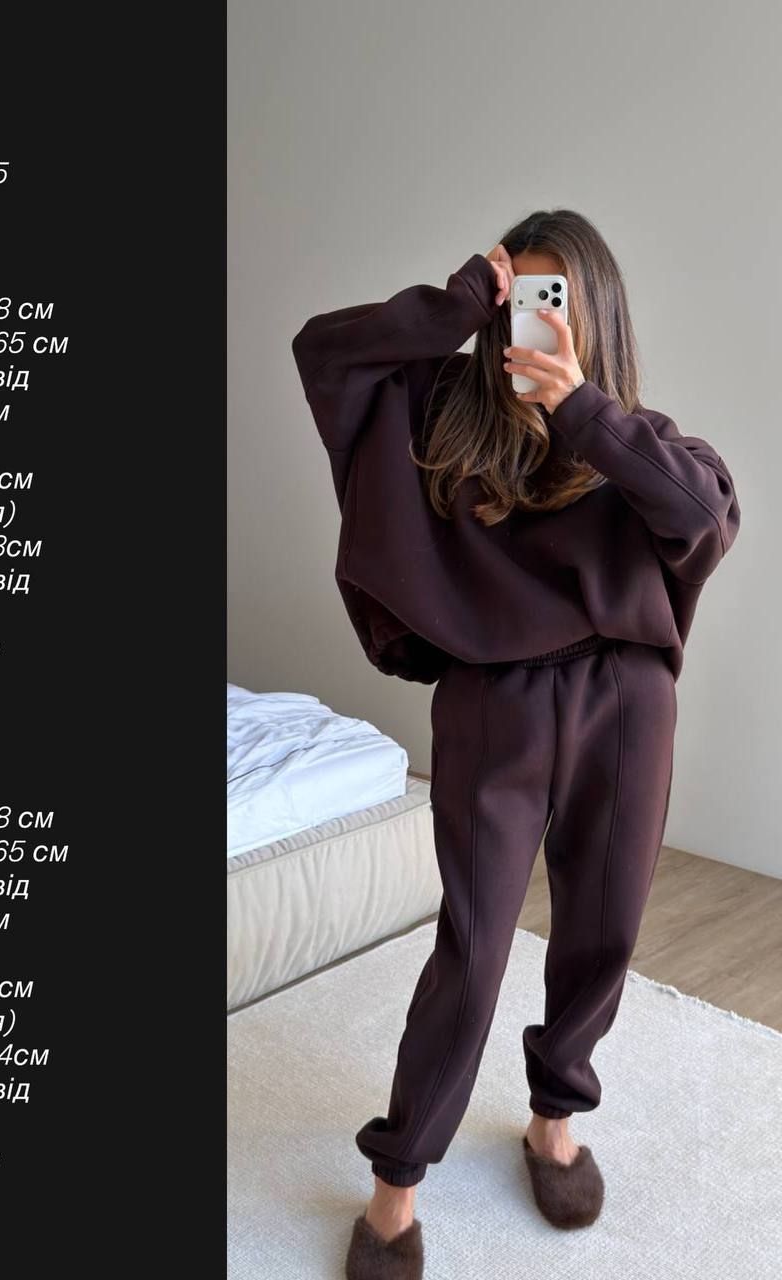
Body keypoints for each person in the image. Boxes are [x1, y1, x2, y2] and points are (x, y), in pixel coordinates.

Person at [289, 209, 740, 1280]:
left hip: (625, 697)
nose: (531, 322)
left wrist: (580, 408)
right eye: (518, 299)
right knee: (474, 943)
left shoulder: (633, 440)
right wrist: (451, 308)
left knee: (602, 925)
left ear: (596, 314)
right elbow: (323, 353)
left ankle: (553, 1116)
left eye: (555, 300)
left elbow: (705, 521)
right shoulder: (445, 417)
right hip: (493, 701)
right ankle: (398, 1176)